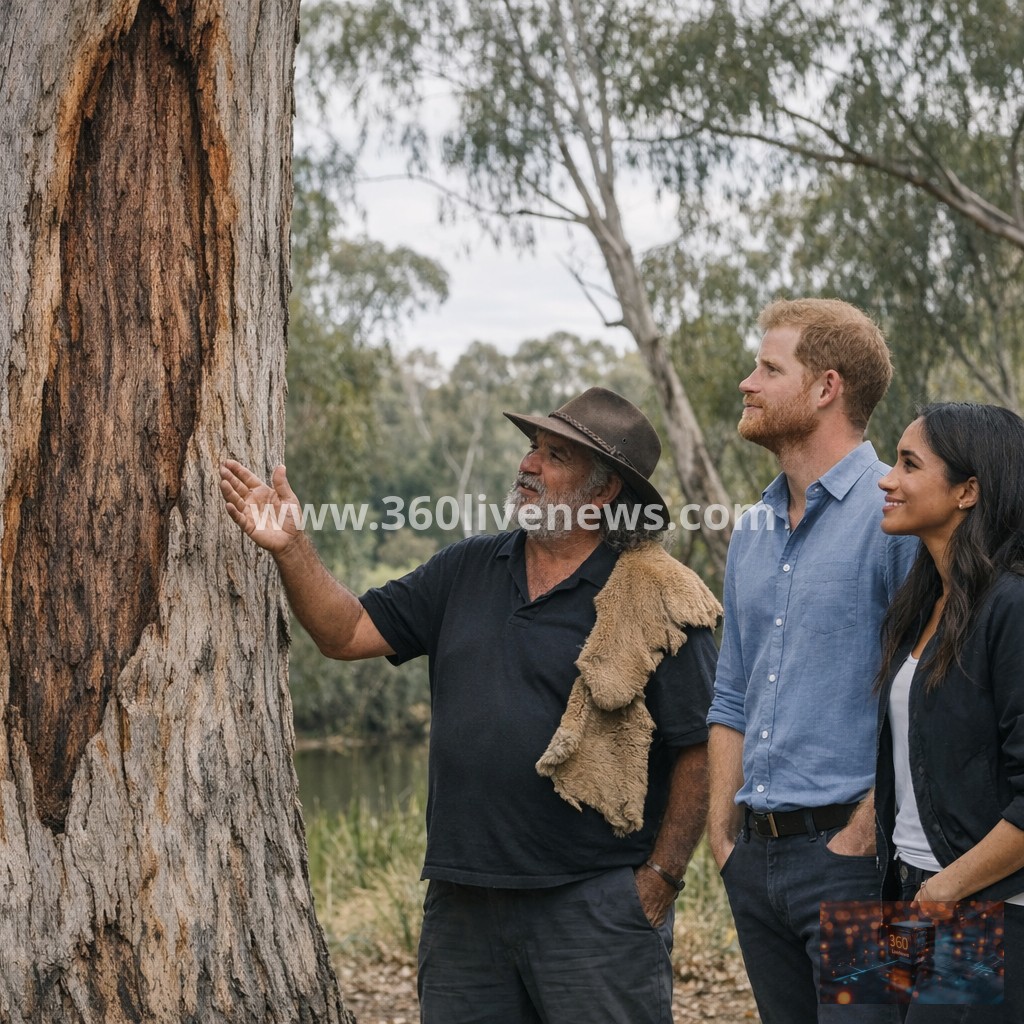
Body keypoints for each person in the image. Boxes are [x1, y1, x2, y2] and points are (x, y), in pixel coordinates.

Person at [220, 386, 721, 1024]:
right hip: (462, 907)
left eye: (556, 456)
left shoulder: (656, 596)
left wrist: (661, 878)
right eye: (533, 448)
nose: (529, 466)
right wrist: (291, 548)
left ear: (603, 493)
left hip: (593, 907)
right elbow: (345, 632)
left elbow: (699, 747)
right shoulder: (468, 568)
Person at [706, 298, 918, 1023]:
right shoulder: (753, 528)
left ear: (826, 388)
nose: (748, 383)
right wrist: (720, 836)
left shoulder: (900, 513)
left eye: (769, 367)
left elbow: (934, 696)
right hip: (756, 866)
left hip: (861, 863)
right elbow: (731, 692)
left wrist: (864, 832)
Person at [874, 402, 1024, 1021]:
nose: (887, 479)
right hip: (906, 887)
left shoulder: (1012, 605)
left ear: (968, 491)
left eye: (909, 464)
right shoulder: (921, 602)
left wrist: (945, 889)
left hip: (981, 906)